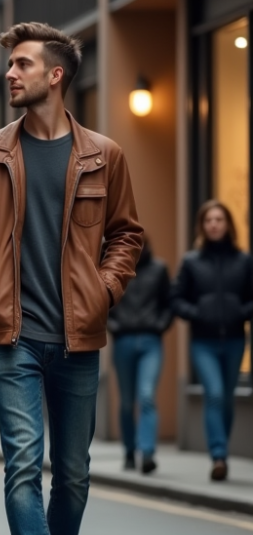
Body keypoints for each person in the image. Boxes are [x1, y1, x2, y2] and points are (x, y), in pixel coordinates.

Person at [0, 22, 142, 535]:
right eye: (11, 65)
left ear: (54, 76)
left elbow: (126, 234)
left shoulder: (103, 155)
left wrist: (105, 290)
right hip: (12, 334)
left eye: (22, 65)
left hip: (78, 334)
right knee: (22, 463)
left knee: (75, 471)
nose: (10, 73)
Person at [171, 201, 253, 482]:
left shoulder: (244, 261)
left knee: (227, 399)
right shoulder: (192, 262)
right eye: (209, 220)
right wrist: (198, 313)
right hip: (203, 342)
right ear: (203, 226)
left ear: (228, 224)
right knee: (215, 394)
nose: (214, 224)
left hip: (233, 340)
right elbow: (176, 299)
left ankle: (221, 451)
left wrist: (240, 313)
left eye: (219, 219)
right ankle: (219, 455)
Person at [108, 237, 172, 474]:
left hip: (150, 341)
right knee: (126, 402)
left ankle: (147, 453)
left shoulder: (159, 269)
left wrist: (160, 325)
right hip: (123, 340)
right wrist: (113, 325)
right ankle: (128, 450)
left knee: (146, 396)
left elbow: (169, 303)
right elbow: (103, 301)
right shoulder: (116, 269)